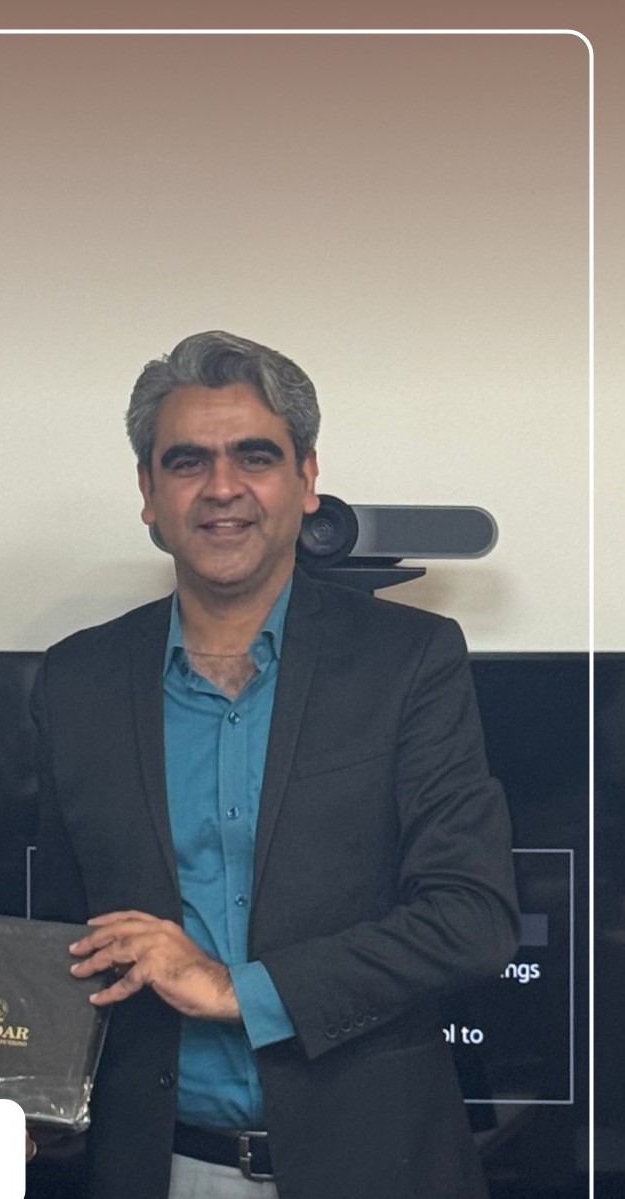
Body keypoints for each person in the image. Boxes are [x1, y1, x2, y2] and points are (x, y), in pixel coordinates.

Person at [32, 330, 519, 1199]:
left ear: (306, 477)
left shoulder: (409, 661)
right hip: (156, 1167)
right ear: (148, 493)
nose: (222, 487)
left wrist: (237, 988)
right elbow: (50, 934)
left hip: (376, 1168)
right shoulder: (76, 681)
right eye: (187, 461)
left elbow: (471, 919)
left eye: (254, 456)